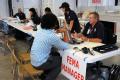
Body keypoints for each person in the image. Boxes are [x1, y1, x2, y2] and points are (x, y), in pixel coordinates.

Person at [30, 13, 69, 80]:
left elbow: (49, 32)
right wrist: (65, 31)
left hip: (33, 60)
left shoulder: (40, 29)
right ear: (53, 24)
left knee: (55, 54)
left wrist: (56, 31)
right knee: (62, 61)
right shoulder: (51, 36)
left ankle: (44, 75)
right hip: (39, 63)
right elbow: (65, 46)